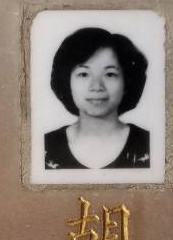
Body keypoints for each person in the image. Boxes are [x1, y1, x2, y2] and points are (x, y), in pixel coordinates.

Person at [44, 27, 151, 169]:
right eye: (83, 74)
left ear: (127, 83)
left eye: (110, 74)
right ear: (67, 82)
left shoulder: (150, 145)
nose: (96, 86)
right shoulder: (45, 146)